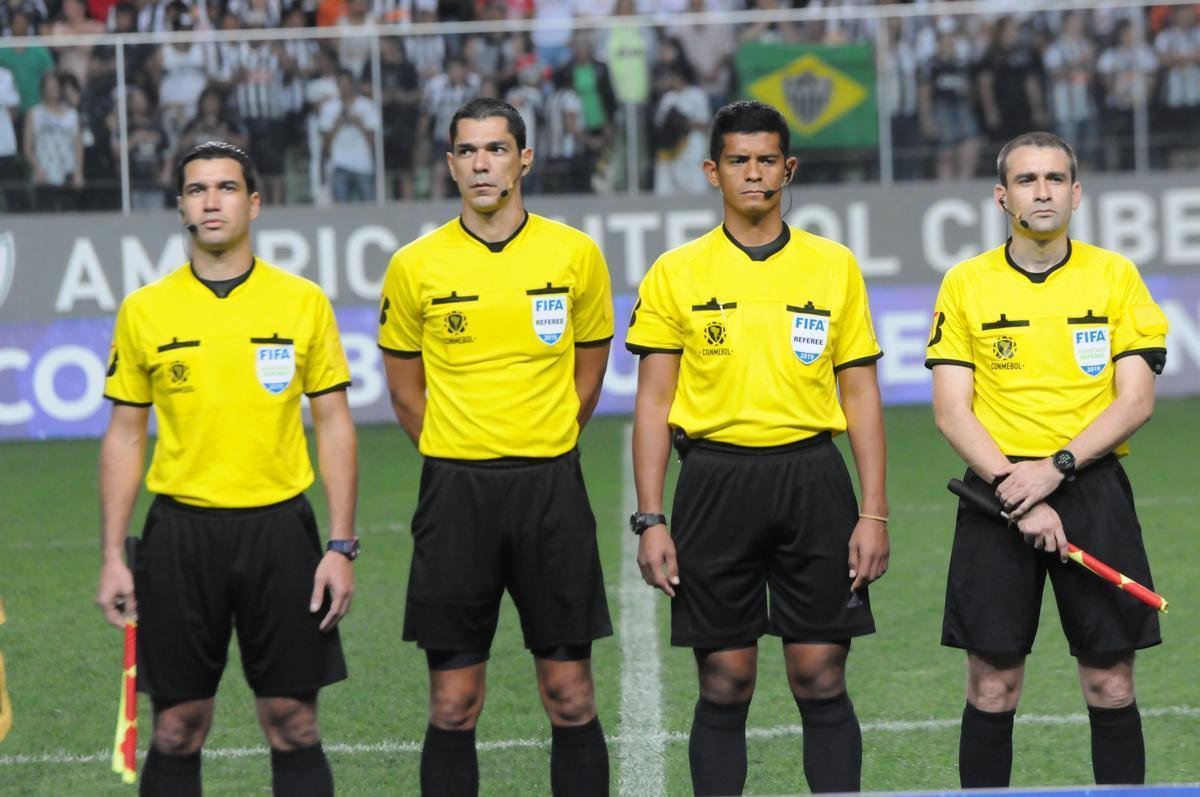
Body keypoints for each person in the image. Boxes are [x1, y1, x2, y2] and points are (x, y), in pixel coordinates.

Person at [627, 100, 890, 796]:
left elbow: (861, 394)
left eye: (767, 159)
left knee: (821, 674)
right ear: (712, 171)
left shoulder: (833, 267)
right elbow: (654, 402)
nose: (753, 173)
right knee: (726, 677)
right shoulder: (675, 272)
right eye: (738, 161)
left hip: (814, 480)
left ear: (789, 168)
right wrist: (651, 518)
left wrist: (875, 512)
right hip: (714, 482)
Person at [94, 141, 358, 797]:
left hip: (280, 532)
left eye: (227, 187)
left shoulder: (302, 302)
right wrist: (112, 554)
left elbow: (333, 423)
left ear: (254, 202)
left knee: (293, 720)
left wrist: (341, 543)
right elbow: (125, 436)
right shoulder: (146, 310)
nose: (211, 200)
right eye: (197, 189)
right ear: (181, 205)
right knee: (179, 725)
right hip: (180, 536)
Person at [378, 97, 613, 797]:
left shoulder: (574, 254)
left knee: (569, 692)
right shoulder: (414, 265)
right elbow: (403, 390)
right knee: (454, 702)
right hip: (456, 497)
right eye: (469, 152)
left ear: (524, 158)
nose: (483, 164)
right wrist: (460, 446)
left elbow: (591, 363)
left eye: (497, 149)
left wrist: (546, 434)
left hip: (551, 490)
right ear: (451, 164)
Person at [925, 131, 1169, 788]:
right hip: (996, 494)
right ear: (1002, 195)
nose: (1043, 191)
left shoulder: (1114, 276)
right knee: (993, 685)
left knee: (1110, 682)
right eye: (1028, 179)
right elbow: (952, 409)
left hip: (1090, 487)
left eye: (1055, 178)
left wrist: (1053, 469)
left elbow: (1136, 399)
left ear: (1076, 193)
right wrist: (1015, 485)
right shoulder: (967, 282)